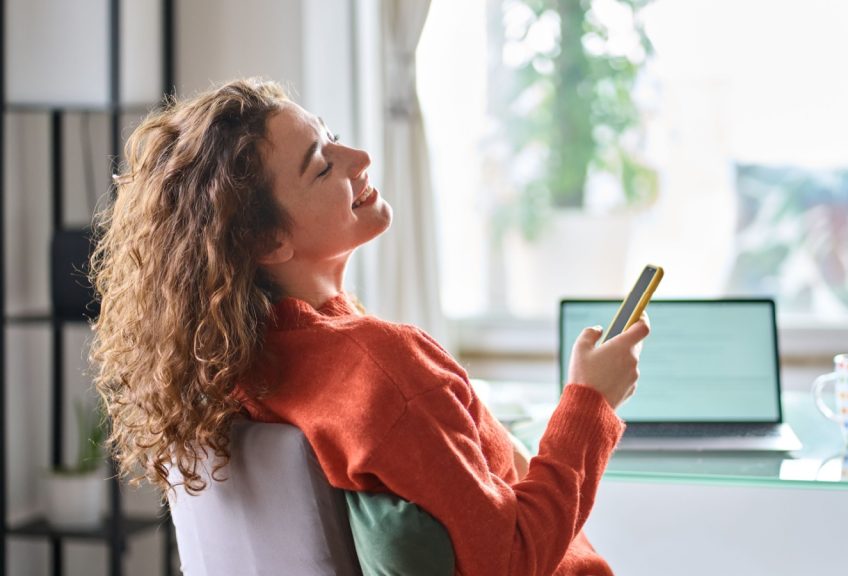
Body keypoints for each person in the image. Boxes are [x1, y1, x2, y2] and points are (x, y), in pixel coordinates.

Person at [90, 78, 651, 576]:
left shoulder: (233, 366)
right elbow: (506, 562)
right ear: (267, 241)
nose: (359, 157)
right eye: (322, 165)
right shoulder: (382, 364)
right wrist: (590, 402)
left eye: (332, 135)